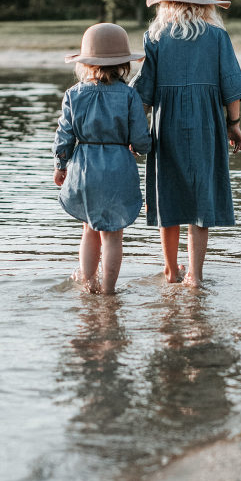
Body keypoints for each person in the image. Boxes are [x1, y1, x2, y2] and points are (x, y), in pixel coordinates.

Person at [132, 0, 241, 287]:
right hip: (206, 125)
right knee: (202, 199)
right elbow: (231, 86)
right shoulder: (218, 37)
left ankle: (171, 271)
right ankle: (196, 276)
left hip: (166, 126)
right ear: (207, 6)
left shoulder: (155, 38)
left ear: (166, 4)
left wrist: (135, 131)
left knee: (168, 196)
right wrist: (234, 124)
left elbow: (144, 92)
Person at [53, 23, 151, 295]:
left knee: (89, 229)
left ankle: (89, 285)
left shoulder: (73, 94)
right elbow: (140, 138)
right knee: (113, 235)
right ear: (124, 65)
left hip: (84, 168)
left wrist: (60, 165)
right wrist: (141, 148)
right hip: (118, 166)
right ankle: (108, 292)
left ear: (85, 63)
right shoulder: (130, 95)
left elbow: (64, 135)